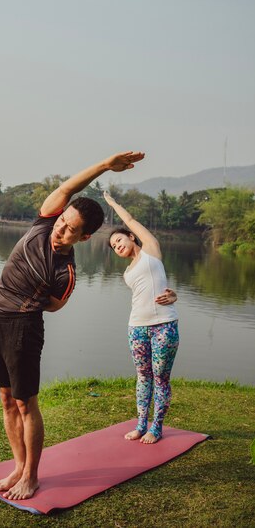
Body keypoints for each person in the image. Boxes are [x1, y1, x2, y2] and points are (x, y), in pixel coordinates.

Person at [0, 150, 145, 500]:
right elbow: (68, 188)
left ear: (83, 238)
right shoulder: (44, 221)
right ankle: (17, 467)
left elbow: (55, 306)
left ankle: (32, 476)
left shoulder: (66, 271)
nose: (61, 229)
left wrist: (24, 297)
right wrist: (104, 165)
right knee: (6, 399)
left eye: (70, 229)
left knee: (26, 403)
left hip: (22, 330)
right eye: (62, 222)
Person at [103, 190, 179, 444]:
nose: (118, 246)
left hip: (164, 326)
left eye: (119, 240)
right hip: (136, 327)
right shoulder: (127, 273)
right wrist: (173, 293)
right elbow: (148, 293)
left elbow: (132, 220)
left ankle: (156, 427)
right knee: (143, 377)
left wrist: (113, 203)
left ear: (131, 237)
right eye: (114, 247)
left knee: (160, 377)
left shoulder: (151, 252)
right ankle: (140, 424)